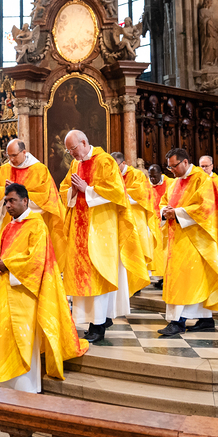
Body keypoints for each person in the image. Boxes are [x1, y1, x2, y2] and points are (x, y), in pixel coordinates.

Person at [0, 184, 88, 392]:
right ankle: (1, 379)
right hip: (3, 288)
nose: (8, 205)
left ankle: (25, 386)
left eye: (12, 200)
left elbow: (37, 260)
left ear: (25, 201)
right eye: (6, 201)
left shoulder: (37, 226)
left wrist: (8, 265)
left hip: (25, 291)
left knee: (20, 336)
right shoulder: (7, 227)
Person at [59, 131, 148, 343]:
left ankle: (98, 325)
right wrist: (73, 191)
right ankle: (95, 320)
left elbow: (117, 192)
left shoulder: (105, 161)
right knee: (83, 277)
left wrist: (88, 190)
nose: (72, 154)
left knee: (99, 275)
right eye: (68, 150)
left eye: (73, 149)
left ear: (84, 142)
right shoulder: (75, 165)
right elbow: (64, 190)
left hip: (101, 230)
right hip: (80, 230)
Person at [157, 148, 218, 337]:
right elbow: (164, 201)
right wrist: (164, 211)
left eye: (174, 166)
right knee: (191, 279)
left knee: (186, 280)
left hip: (197, 240)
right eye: (169, 167)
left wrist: (177, 213)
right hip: (178, 238)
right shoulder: (175, 182)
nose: (172, 171)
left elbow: (207, 208)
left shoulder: (203, 180)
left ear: (185, 162)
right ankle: (206, 319)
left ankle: (178, 322)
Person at [0, 139, 66, 267]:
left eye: (14, 155)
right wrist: (5, 191)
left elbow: (45, 198)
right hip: (9, 223)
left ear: (24, 152)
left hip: (32, 224)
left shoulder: (39, 170)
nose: (11, 159)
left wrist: (18, 192)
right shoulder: (3, 170)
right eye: (8, 155)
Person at [112, 152, 160, 284]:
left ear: (123, 163)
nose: (113, 168)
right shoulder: (112, 176)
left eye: (116, 165)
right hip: (118, 217)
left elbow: (142, 195)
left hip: (135, 216)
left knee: (136, 249)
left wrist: (116, 196)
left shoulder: (137, 175)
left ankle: (137, 281)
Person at [148, 164, 175, 281]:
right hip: (151, 220)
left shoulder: (170, 183)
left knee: (166, 249)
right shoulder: (146, 184)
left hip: (166, 220)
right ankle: (157, 277)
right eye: (150, 176)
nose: (152, 179)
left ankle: (166, 276)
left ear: (160, 174)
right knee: (154, 250)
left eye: (154, 176)